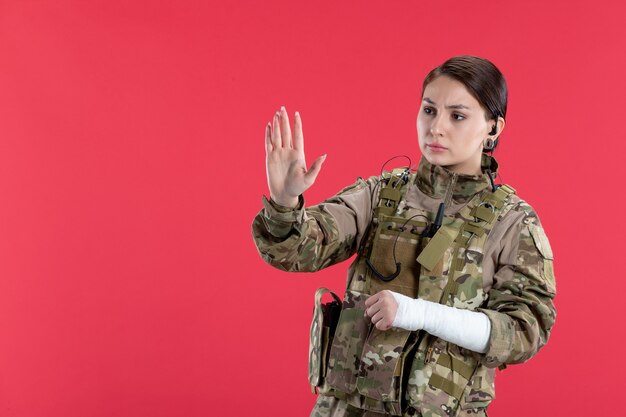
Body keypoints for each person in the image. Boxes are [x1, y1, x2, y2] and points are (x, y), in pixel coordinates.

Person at [251, 55, 557, 417]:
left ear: (493, 127)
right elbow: (297, 251)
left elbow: (526, 329)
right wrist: (286, 201)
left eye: (457, 116)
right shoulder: (382, 194)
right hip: (346, 408)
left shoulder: (511, 222)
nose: (436, 127)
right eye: (429, 110)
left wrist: (420, 313)